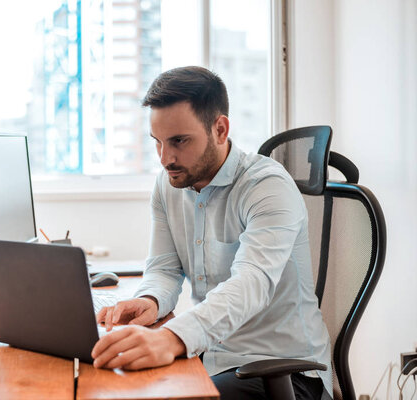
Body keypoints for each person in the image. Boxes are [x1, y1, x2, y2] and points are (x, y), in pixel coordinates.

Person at [92, 66, 333, 400]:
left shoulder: (267, 186)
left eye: (178, 141)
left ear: (220, 129)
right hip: (212, 354)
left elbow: (251, 284)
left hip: (283, 372)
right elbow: (164, 269)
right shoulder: (169, 184)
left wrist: (172, 338)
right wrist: (149, 299)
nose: (165, 158)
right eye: (158, 143)